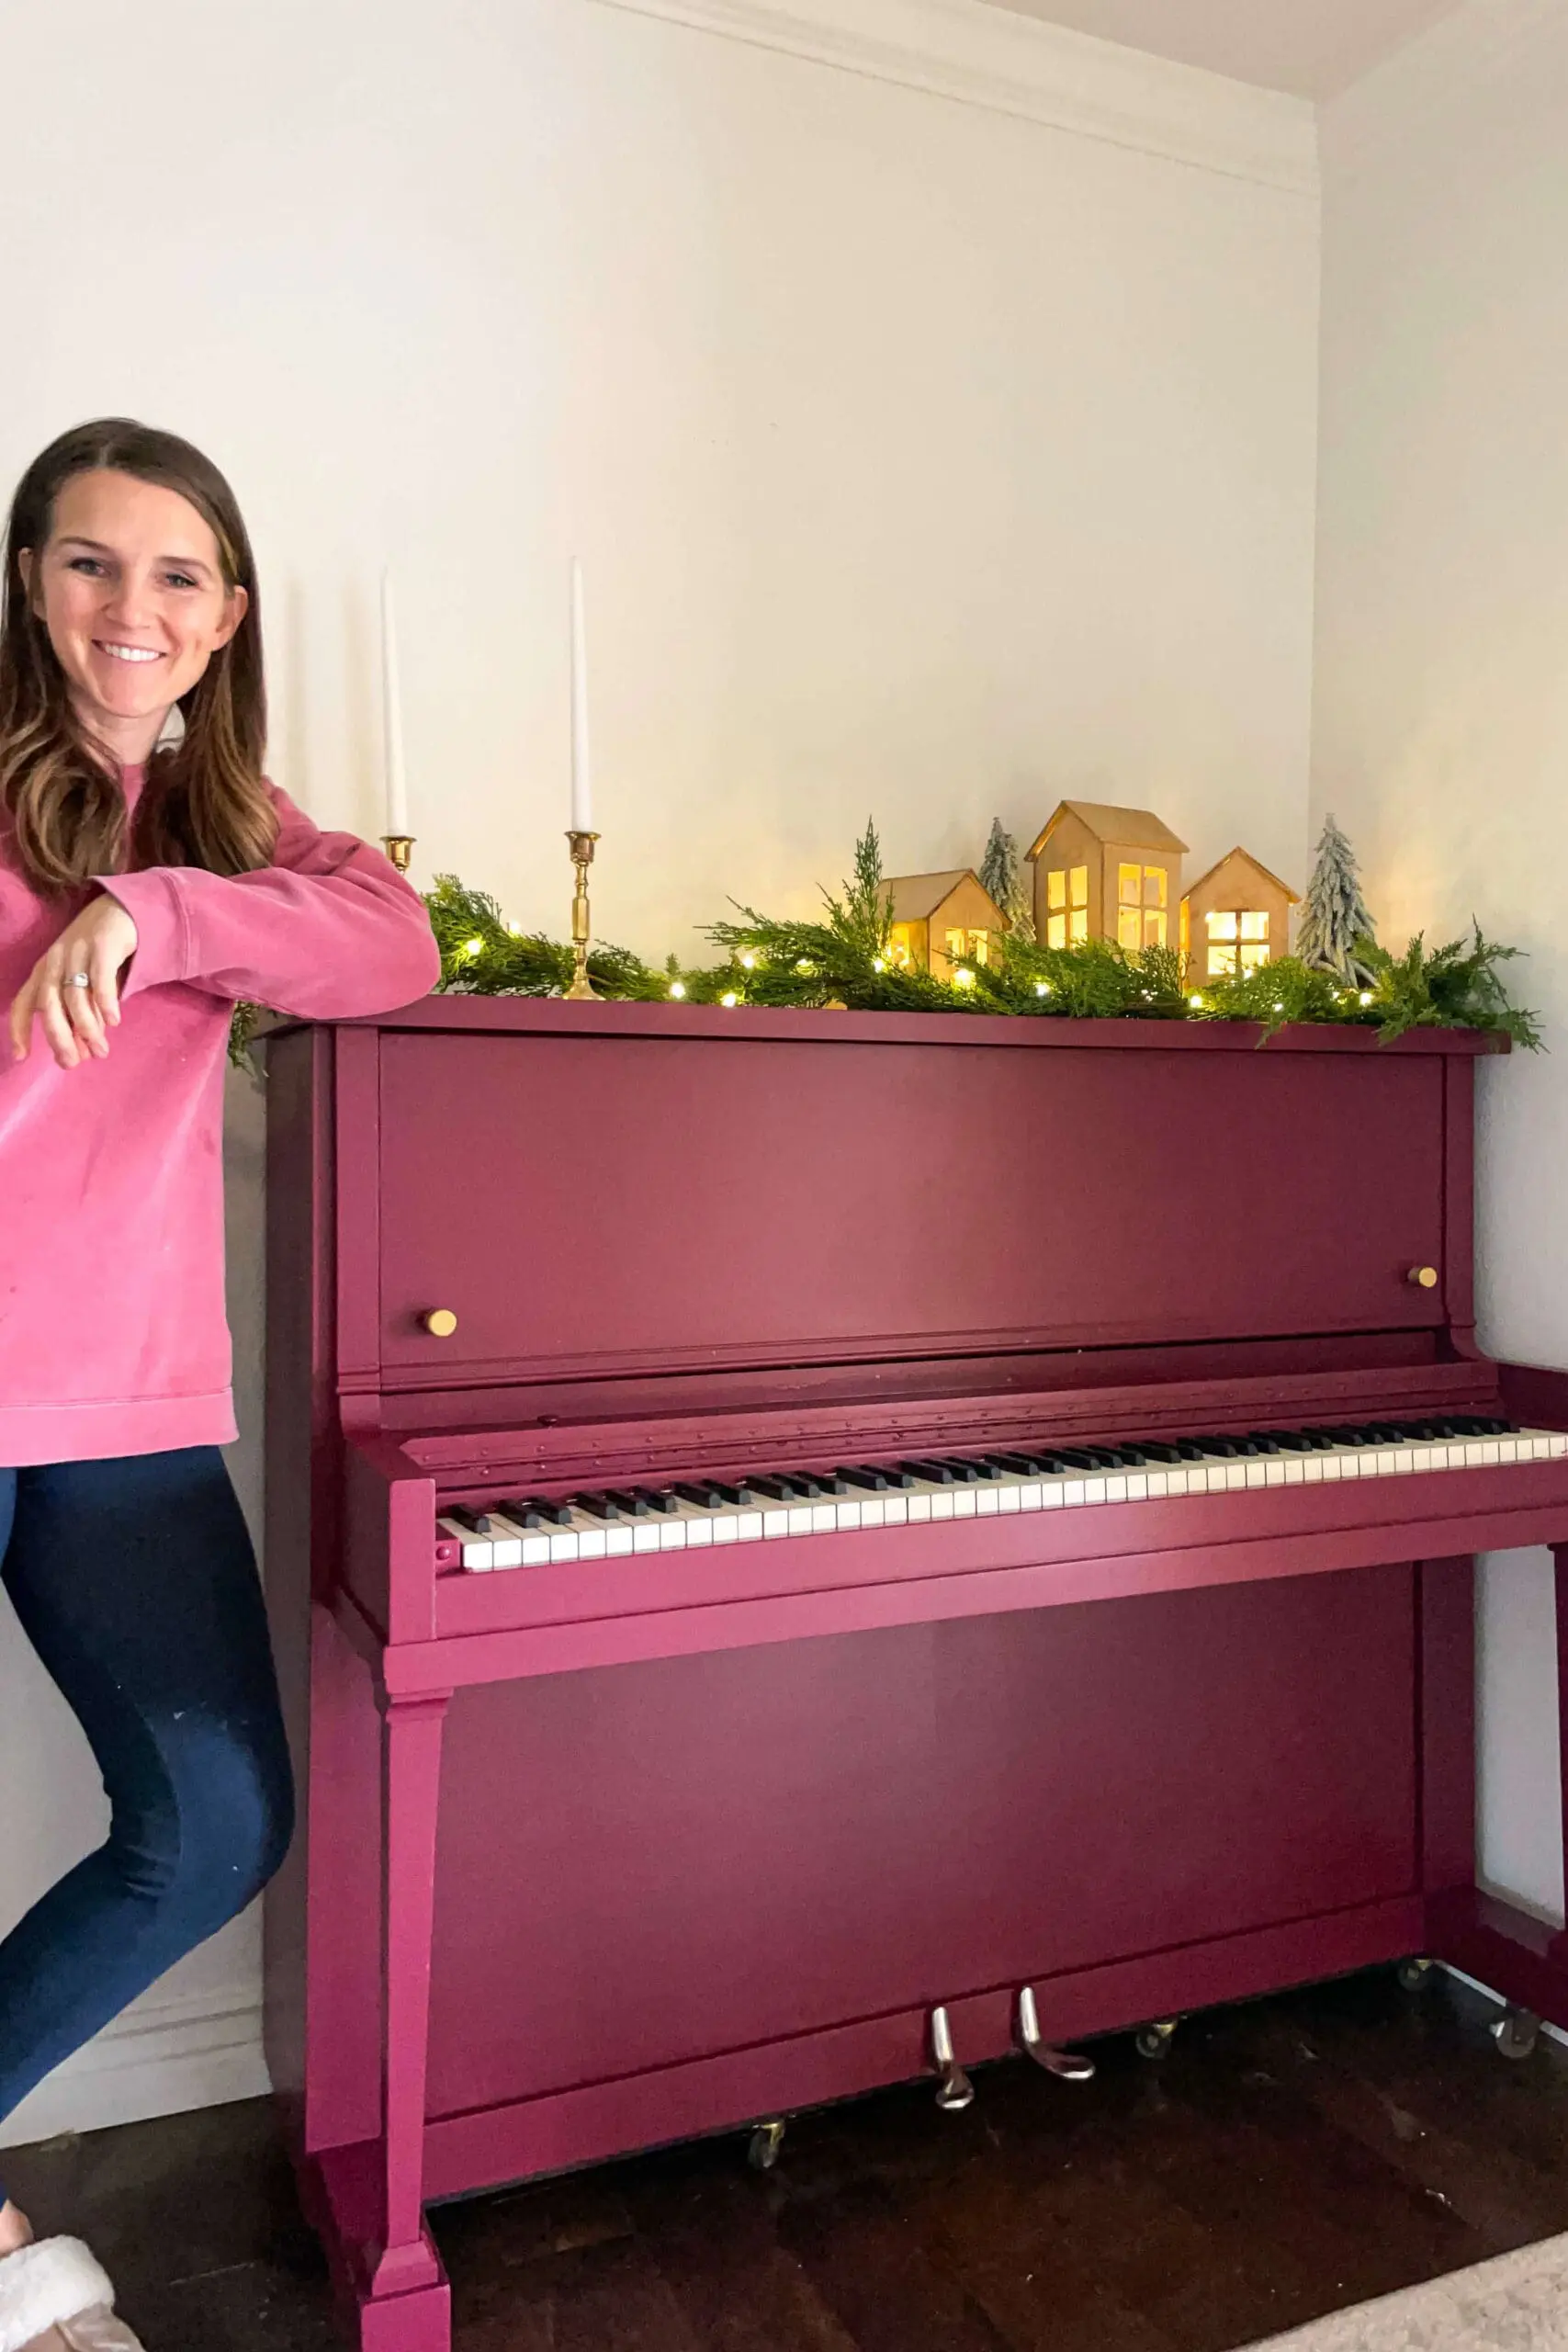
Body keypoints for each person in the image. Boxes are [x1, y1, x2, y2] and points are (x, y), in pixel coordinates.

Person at [0, 421, 440, 2351]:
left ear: (224, 614)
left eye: (175, 575)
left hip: (125, 1407)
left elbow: (396, 941)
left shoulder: (221, 822)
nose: (131, 608)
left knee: (214, 1813)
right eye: (90, 564)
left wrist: (154, 909)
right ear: (31, 582)